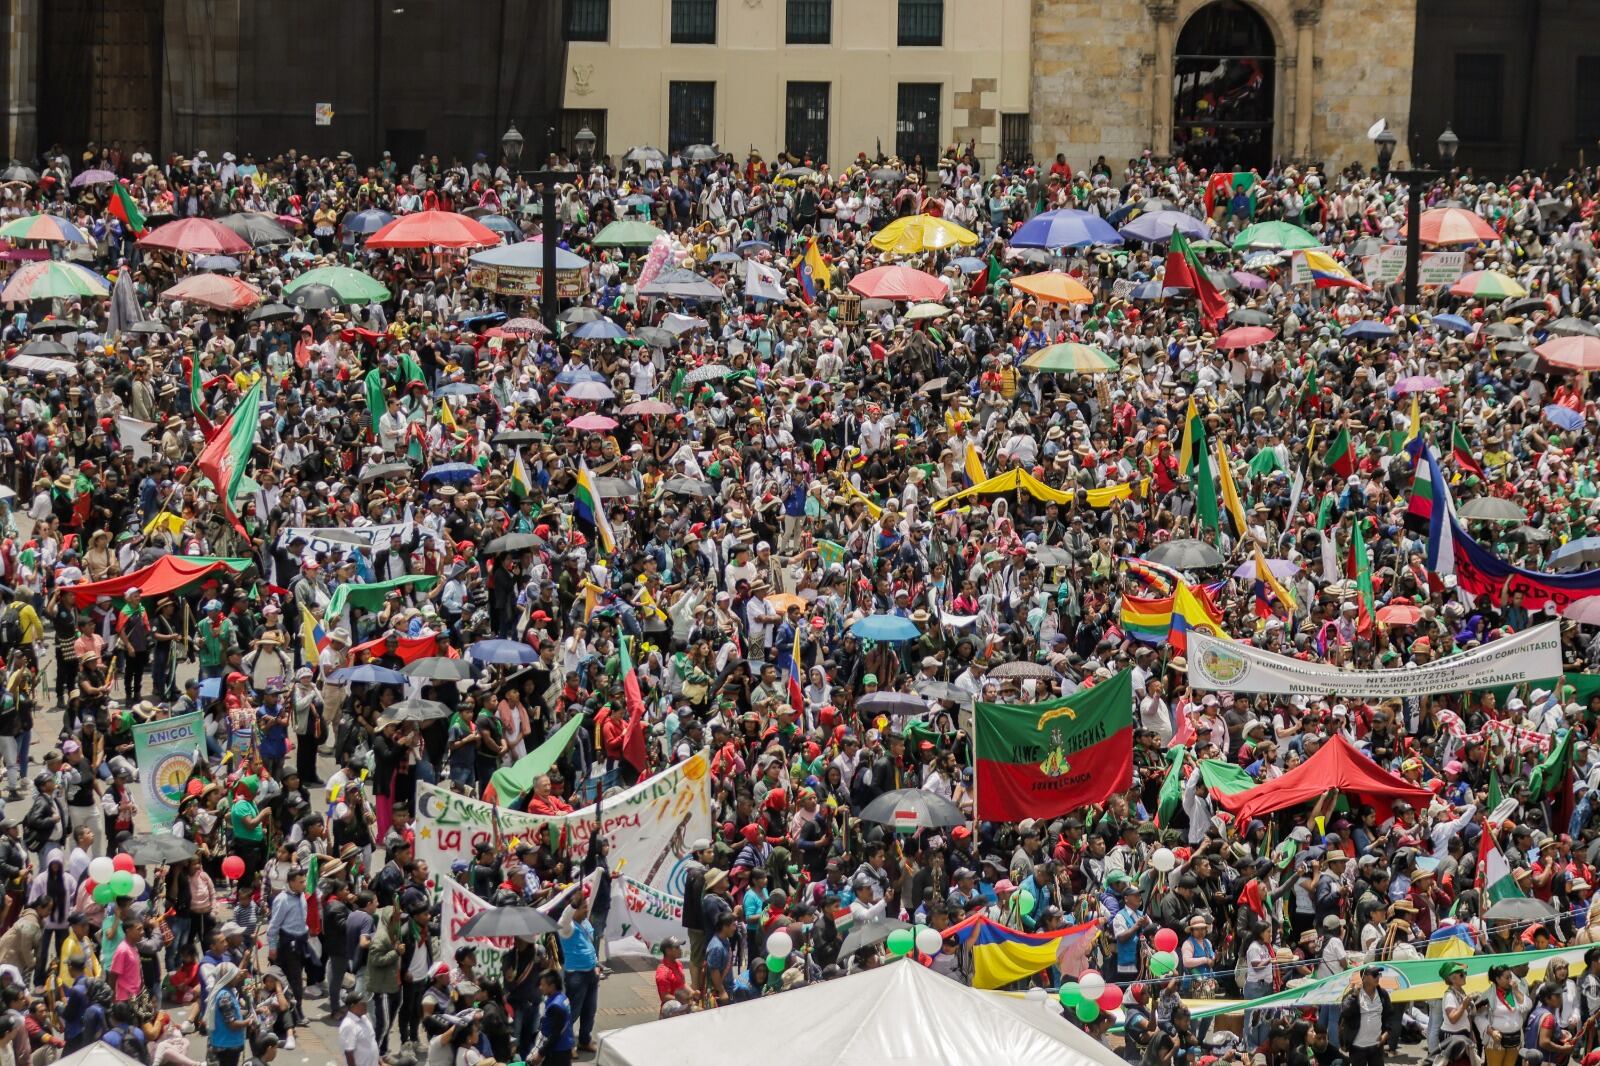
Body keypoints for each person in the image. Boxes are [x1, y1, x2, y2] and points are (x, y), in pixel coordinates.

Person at [1340, 965, 1392, 1066]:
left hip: (1376, 1046)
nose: (1378, 977)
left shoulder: (1382, 994)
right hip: (1357, 1047)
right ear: (1364, 977)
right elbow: (1345, 1012)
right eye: (1374, 974)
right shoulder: (1353, 994)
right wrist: (1354, 995)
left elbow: (1389, 1015)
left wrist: (1386, 1033)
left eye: (1379, 974)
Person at [533, 969, 574, 1066]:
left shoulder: (555, 1006)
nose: (540, 987)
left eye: (543, 985)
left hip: (557, 1052)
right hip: (564, 1048)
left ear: (551, 986)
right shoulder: (562, 997)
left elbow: (555, 1035)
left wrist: (540, 1053)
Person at [339, 990, 381, 1066]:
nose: (366, 1005)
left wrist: (380, 1062)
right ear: (353, 1006)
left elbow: (372, 1041)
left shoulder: (365, 1017)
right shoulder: (349, 1025)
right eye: (362, 1003)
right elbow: (349, 1053)